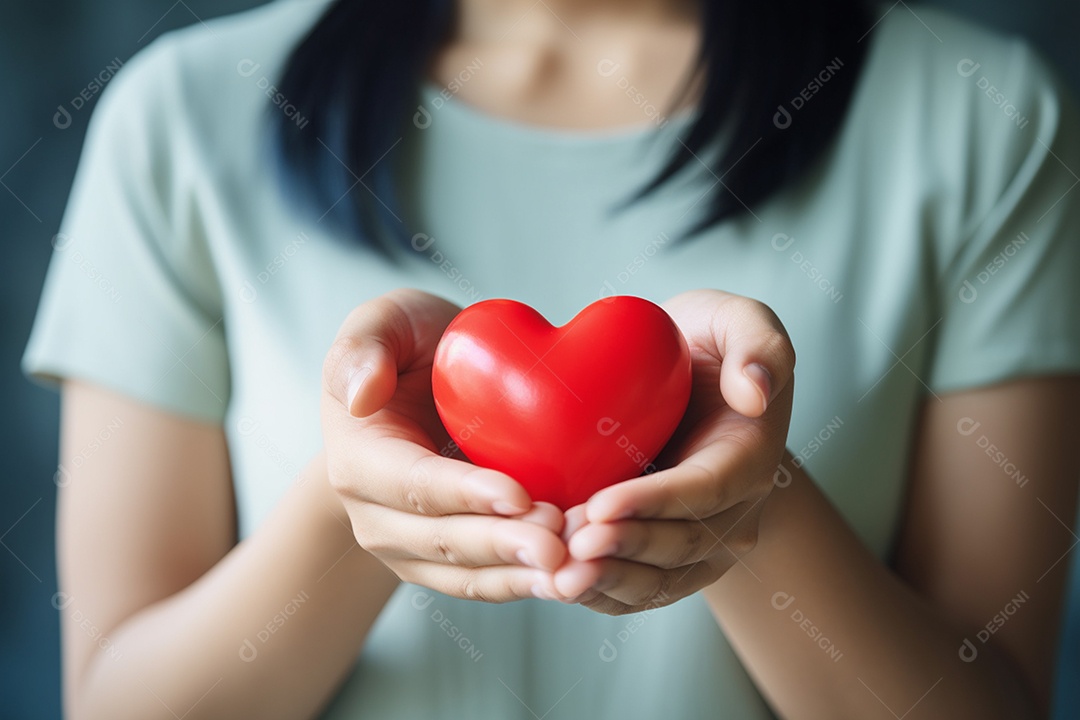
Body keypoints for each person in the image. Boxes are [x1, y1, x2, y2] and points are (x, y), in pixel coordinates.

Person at [22, 0, 1080, 717]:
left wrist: (750, 505)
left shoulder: (985, 121)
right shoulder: (180, 118)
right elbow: (119, 701)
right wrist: (365, 501)